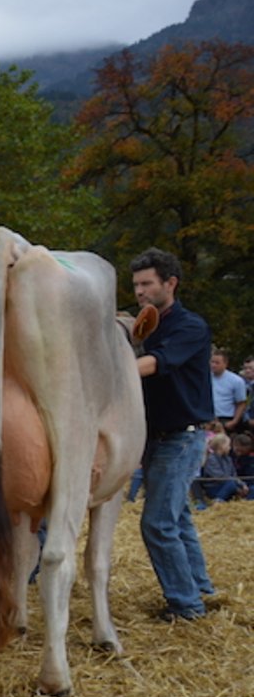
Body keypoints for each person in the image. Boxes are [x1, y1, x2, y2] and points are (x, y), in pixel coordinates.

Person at [130, 247, 217, 622]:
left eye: (147, 283)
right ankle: (201, 589)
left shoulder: (189, 326)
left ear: (170, 283)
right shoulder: (144, 325)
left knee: (157, 523)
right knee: (177, 518)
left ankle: (186, 606)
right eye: (135, 285)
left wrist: (115, 370)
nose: (139, 291)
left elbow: (157, 363)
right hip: (155, 436)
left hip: (182, 437)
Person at [193, 432, 245, 506]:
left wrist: (242, 485)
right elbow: (219, 477)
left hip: (230, 484)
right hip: (215, 487)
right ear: (221, 446)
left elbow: (234, 475)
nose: (230, 448)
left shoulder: (228, 459)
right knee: (231, 483)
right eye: (228, 445)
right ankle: (218, 501)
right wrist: (236, 483)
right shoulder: (211, 459)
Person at [209, 348, 246, 435]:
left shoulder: (236, 381)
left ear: (225, 364)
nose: (213, 365)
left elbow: (241, 403)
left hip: (226, 418)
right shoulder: (206, 378)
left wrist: (234, 421)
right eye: (212, 362)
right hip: (209, 418)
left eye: (217, 363)